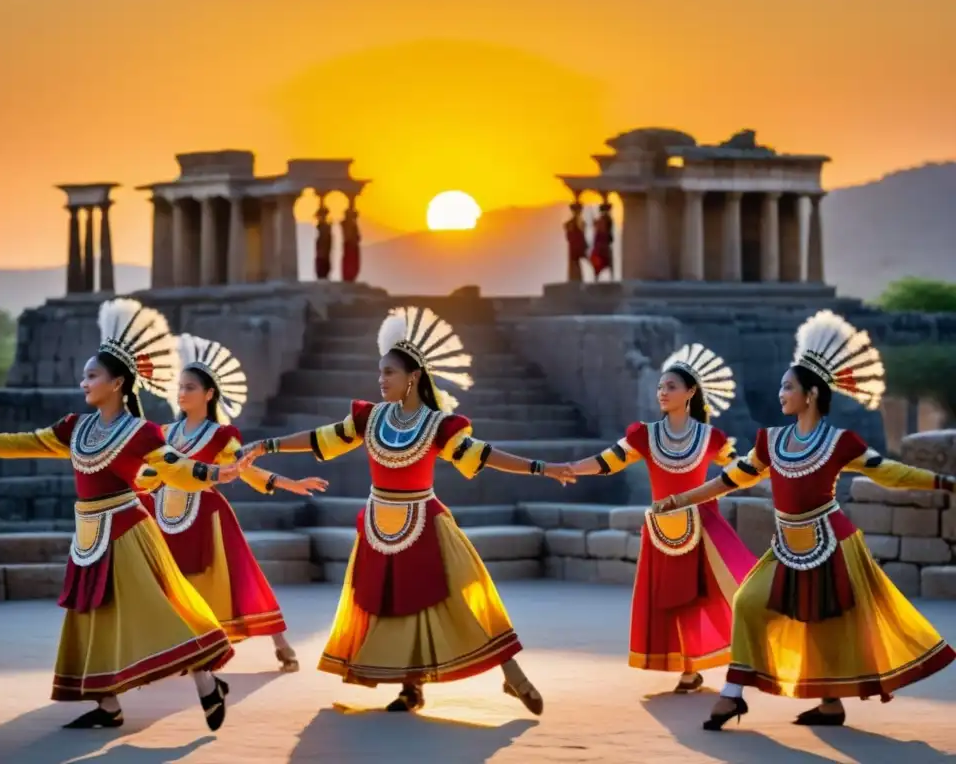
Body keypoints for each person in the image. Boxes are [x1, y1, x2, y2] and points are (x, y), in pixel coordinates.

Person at [237, 306, 576, 715]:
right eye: (379, 373)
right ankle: (410, 688)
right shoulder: (369, 418)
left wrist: (543, 468)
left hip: (426, 523)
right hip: (380, 524)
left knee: (461, 598)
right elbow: (318, 438)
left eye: (389, 374)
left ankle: (512, 673)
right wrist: (267, 445)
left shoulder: (438, 426)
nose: (381, 381)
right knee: (392, 605)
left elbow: (484, 455)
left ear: (412, 377)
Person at [0, 298, 244, 731]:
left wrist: (218, 472)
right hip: (88, 535)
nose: (84, 382)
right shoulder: (74, 427)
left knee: (158, 612)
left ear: (116, 383)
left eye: (92, 375)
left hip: (129, 533)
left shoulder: (140, 432)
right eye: (84, 375)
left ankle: (207, 680)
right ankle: (109, 707)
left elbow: (176, 465)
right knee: (90, 616)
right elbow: (24, 443)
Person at [652, 310, 956, 730]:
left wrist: (945, 482)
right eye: (781, 386)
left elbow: (891, 471)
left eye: (788, 386)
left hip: (832, 542)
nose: (781, 393)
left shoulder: (839, 443)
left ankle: (820, 704)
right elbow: (728, 480)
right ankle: (734, 695)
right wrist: (681, 499)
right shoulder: (771, 441)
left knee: (828, 622)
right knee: (748, 602)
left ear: (810, 394)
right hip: (786, 544)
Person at [570, 344, 756, 693]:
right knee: (672, 596)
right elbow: (608, 460)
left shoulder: (712, 438)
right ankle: (688, 666)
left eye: (671, 386)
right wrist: (569, 468)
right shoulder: (645, 435)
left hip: (705, 527)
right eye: (660, 387)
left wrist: (782, 467)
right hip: (663, 528)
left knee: (707, 594)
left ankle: (703, 666)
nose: (662, 392)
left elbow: (743, 469)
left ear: (691, 392)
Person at [150, 333, 328, 671]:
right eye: (181, 386)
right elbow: (150, 474)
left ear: (209, 394)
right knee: (170, 581)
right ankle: (184, 647)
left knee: (241, 578)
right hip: (164, 512)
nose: (182, 393)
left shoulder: (220, 436)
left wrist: (290, 483)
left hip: (207, 516)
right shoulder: (163, 433)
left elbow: (247, 470)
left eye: (190, 387)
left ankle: (280, 642)